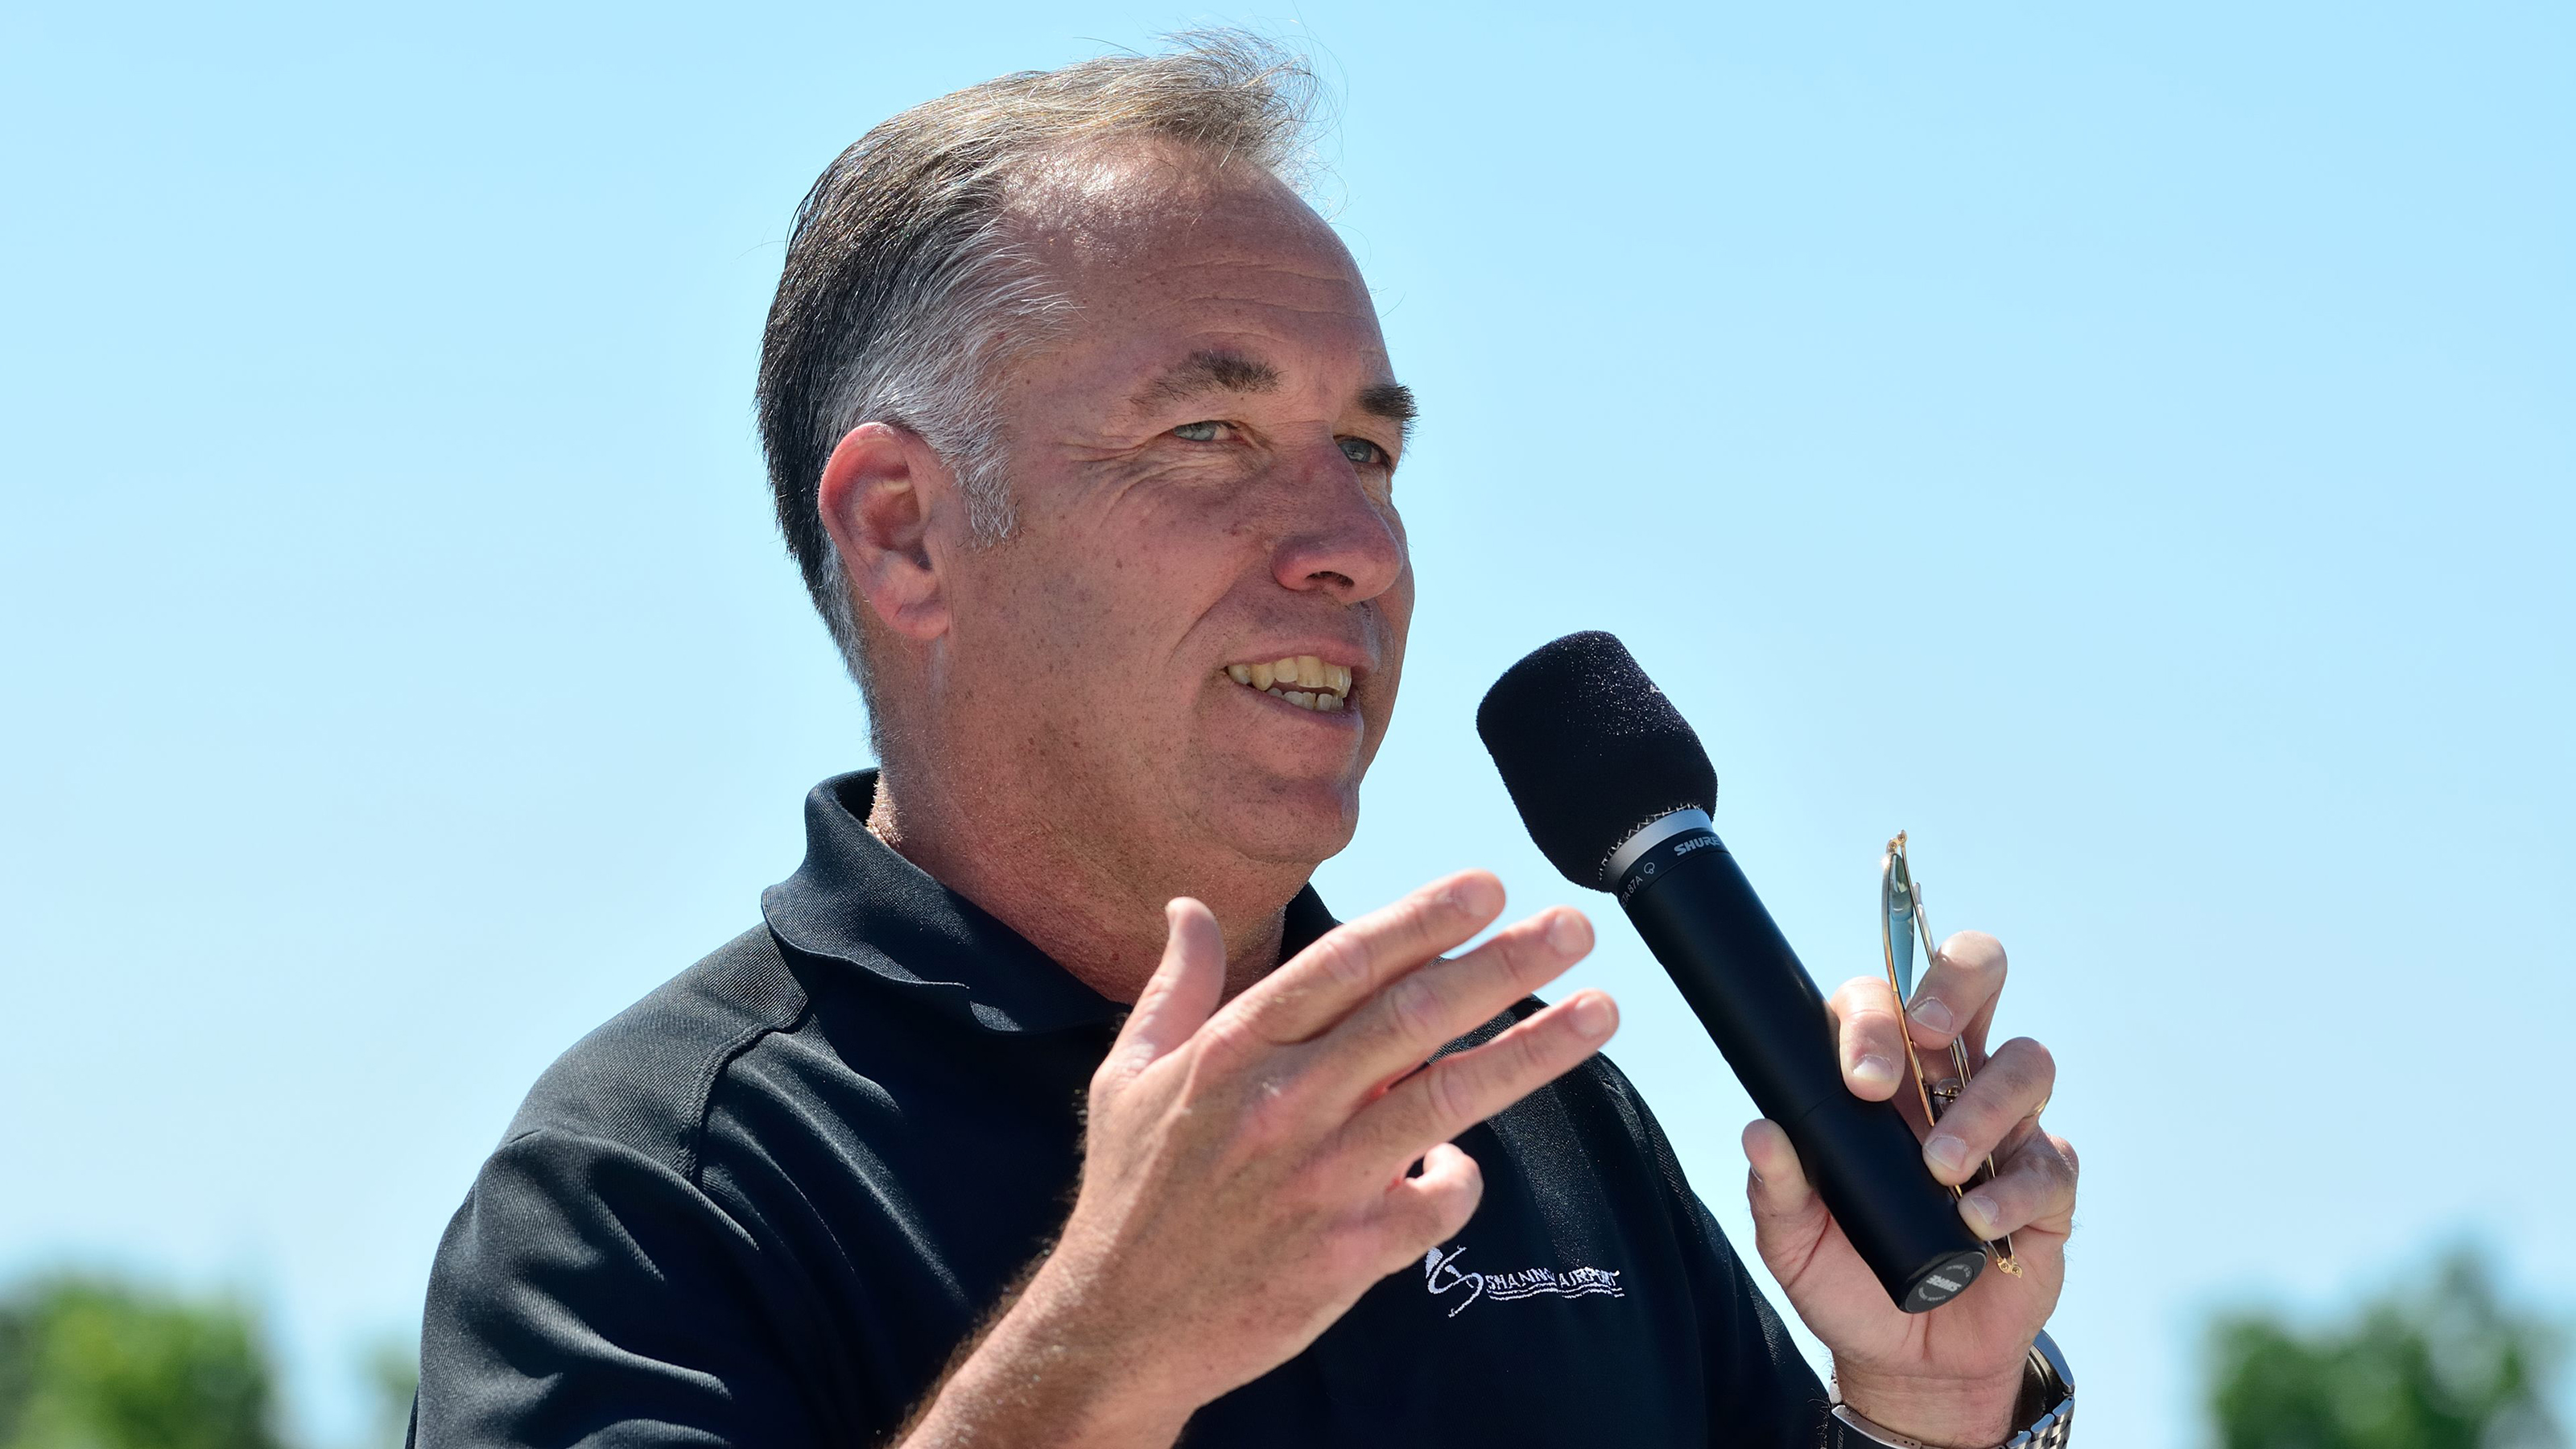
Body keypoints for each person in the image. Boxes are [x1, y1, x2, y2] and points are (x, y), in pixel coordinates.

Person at [411, 35, 2080, 1449]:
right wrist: (1099, 1361)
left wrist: (1925, 1406)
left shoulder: (1533, 1114)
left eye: (1368, 449)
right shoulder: (643, 1193)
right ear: (905, 534)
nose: (1347, 539)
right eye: (1211, 431)